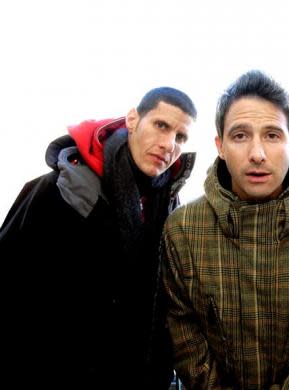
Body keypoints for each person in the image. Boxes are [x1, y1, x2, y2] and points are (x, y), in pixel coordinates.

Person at [161, 70, 289, 389]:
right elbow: (186, 343)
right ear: (220, 146)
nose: (257, 154)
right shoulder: (183, 229)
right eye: (240, 135)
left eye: (272, 135)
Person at [0, 87, 197, 389]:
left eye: (180, 137)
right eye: (161, 125)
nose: (169, 144)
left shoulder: (172, 212)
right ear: (133, 119)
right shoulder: (57, 191)